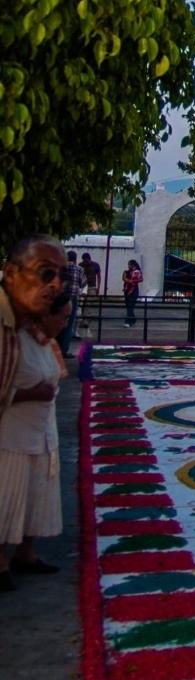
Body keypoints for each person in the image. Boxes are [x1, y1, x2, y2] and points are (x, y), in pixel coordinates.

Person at [0, 239, 67, 592]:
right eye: (45, 274)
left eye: (59, 276)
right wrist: (29, 393)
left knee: (32, 495)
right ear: (11, 274)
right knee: (7, 495)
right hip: (12, 435)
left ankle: (25, 554)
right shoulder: (7, 330)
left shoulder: (35, 334)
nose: (54, 285)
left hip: (41, 433)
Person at [58, 250, 82, 359]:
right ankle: (64, 350)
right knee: (68, 325)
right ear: (75, 259)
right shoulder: (79, 269)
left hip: (59, 297)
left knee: (57, 322)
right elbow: (82, 282)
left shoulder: (61, 268)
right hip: (72, 298)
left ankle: (56, 348)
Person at [122, 259, 142, 327]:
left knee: (131, 305)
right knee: (128, 306)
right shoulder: (126, 272)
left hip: (134, 290)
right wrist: (129, 280)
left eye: (130, 265)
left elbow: (141, 279)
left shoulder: (137, 272)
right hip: (127, 290)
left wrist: (134, 280)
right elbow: (124, 278)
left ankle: (128, 321)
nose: (129, 266)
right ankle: (133, 319)